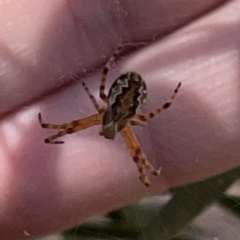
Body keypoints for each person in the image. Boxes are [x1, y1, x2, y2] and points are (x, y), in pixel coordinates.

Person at [0, 0, 239, 239]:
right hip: (125, 100)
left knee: (130, 152)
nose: (108, 131)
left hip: (120, 98)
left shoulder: (105, 115)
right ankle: (144, 173)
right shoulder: (114, 120)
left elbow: (138, 112)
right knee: (113, 144)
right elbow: (143, 113)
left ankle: (145, 173)